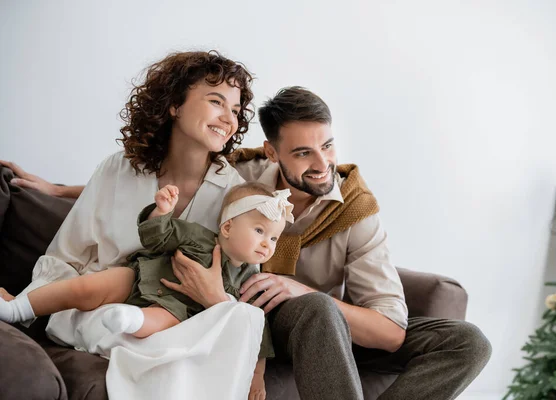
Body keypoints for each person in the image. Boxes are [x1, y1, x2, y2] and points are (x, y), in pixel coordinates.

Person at [2, 87, 493, 399]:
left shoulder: (357, 212)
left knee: (468, 342)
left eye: (328, 146)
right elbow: (164, 179)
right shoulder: (241, 176)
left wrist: (304, 290)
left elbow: (389, 333)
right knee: (318, 311)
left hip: (333, 323)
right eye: (302, 152)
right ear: (272, 153)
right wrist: (56, 190)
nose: (320, 163)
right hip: (267, 315)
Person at [1, 50, 274, 400]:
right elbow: (66, 255)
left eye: (235, 110)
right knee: (119, 327)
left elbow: (243, 290)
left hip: (183, 319)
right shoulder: (119, 170)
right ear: (175, 104)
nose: (228, 118)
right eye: (216, 101)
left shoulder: (235, 194)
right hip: (104, 306)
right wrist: (26, 302)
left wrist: (216, 302)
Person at [0, 181, 294, 398]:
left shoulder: (248, 281)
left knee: (162, 318)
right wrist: (161, 212)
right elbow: (159, 237)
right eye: (259, 231)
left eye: (274, 238)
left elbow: (255, 330)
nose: (268, 243)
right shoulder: (198, 237)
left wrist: (257, 375)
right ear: (228, 227)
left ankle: (128, 320)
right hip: (142, 277)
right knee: (85, 287)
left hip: (176, 310)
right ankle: (19, 307)